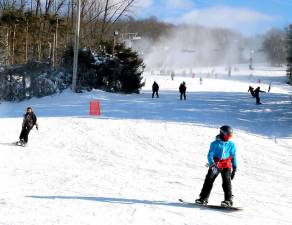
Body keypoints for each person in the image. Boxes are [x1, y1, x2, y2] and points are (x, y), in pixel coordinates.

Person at [195, 125, 237, 207]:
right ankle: (203, 198)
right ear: (222, 134)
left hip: (226, 165)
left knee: (226, 182)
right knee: (209, 181)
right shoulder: (215, 144)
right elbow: (210, 155)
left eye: (230, 136)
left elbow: (233, 156)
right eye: (227, 135)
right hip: (216, 165)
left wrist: (234, 167)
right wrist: (212, 165)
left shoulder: (231, 144)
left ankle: (228, 200)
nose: (228, 137)